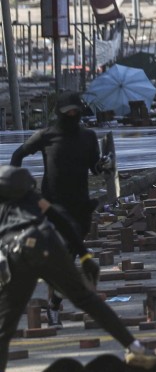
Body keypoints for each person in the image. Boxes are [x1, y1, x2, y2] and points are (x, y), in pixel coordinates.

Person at [0, 166, 156, 372]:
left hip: (15, 253)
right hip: (44, 244)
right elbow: (61, 221)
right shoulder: (33, 199)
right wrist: (84, 256)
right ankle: (136, 349)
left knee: (4, 331)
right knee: (84, 298)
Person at [10, 91, 109, 326]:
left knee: (70, 255)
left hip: (80, 206)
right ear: (60, 114)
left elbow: (95, 168)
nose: (73, 116)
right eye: (69, 113)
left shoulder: (88, 137)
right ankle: (51, 304)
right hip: (52, 205)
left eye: (76, 112)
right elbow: (18, 154)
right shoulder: (46, 136)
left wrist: (105, 164)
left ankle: (53, 303)